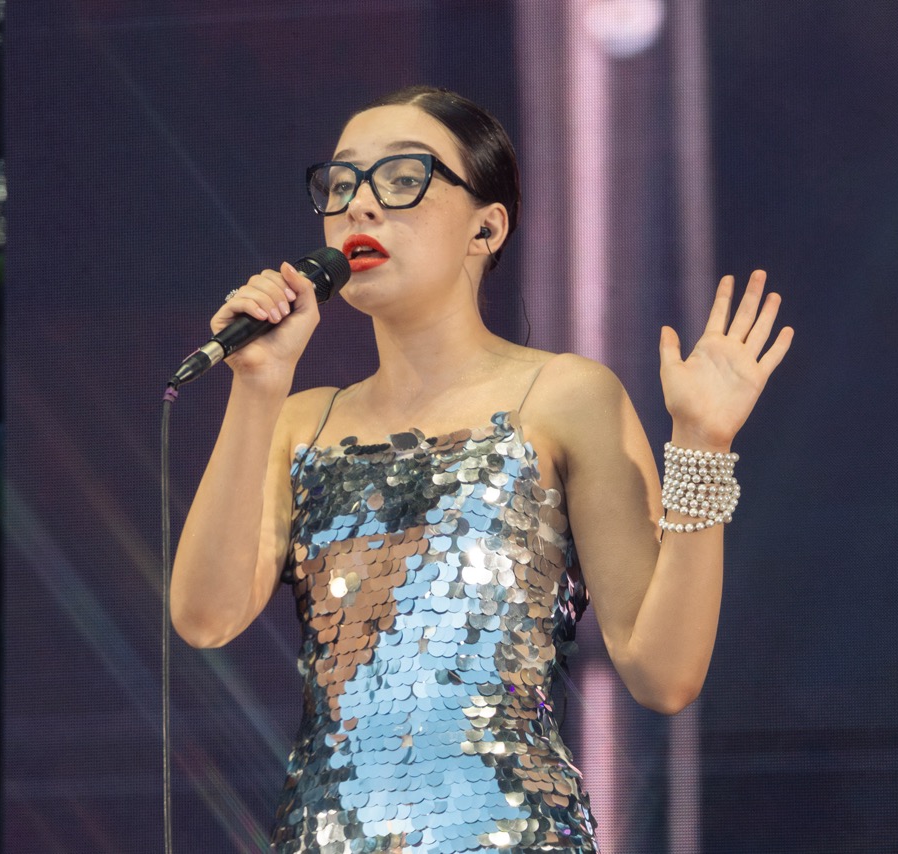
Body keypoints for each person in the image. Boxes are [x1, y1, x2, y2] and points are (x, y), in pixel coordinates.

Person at [171, 85, 792, 853]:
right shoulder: (302, 421)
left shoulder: (567, 396)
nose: (360, 205)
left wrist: (702, 443)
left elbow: (663, 675)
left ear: (486, 227)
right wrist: (260, 385)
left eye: (403, 179)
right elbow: (205, 618)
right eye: (341, 183)